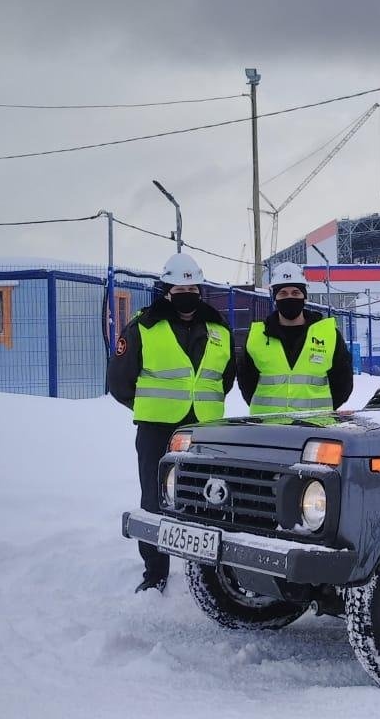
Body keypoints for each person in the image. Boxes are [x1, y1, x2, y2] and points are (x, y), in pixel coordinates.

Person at [107, 253, 236, 593]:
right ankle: (155, 573)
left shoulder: (219, 327)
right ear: (167, 288)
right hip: (157, 428)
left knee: (210, 499)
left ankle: (210, 575)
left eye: (192, 287)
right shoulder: (144, 325)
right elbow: (120, 380)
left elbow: (226, 378)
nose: (187, 293)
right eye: (180, 287)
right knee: (154, 500)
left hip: (205, 429)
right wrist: (150, 407)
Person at [238, 262, 353, 414]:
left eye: (295, 293)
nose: (290, 297)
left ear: (304, 297)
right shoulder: (257, 336)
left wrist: (323, 409)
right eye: (283, 293)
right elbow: (246, 381)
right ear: (275, 298)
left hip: (314, 426)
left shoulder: (328, 334)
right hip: (268, 427)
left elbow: (343, 382)